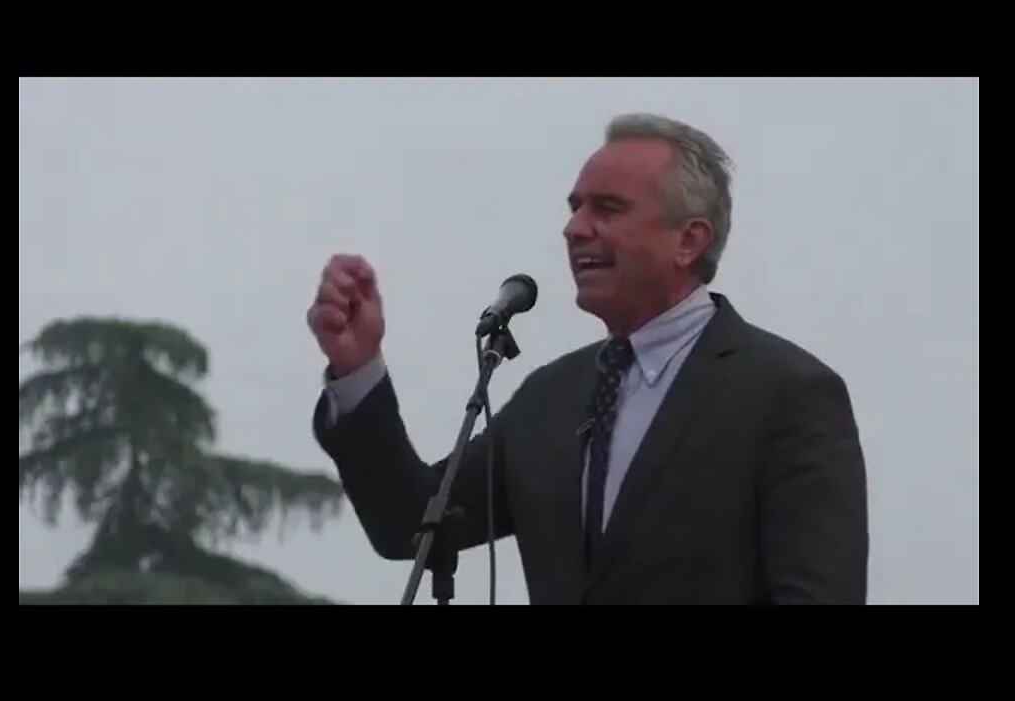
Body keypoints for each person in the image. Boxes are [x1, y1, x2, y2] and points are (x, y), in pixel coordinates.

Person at [306, 112, 869, 604]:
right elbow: (409, 523)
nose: (575, 229)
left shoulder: (787, 394)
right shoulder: (551, 398)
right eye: (576, 209)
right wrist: (358, 369)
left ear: (689, 241)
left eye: (608, 209)